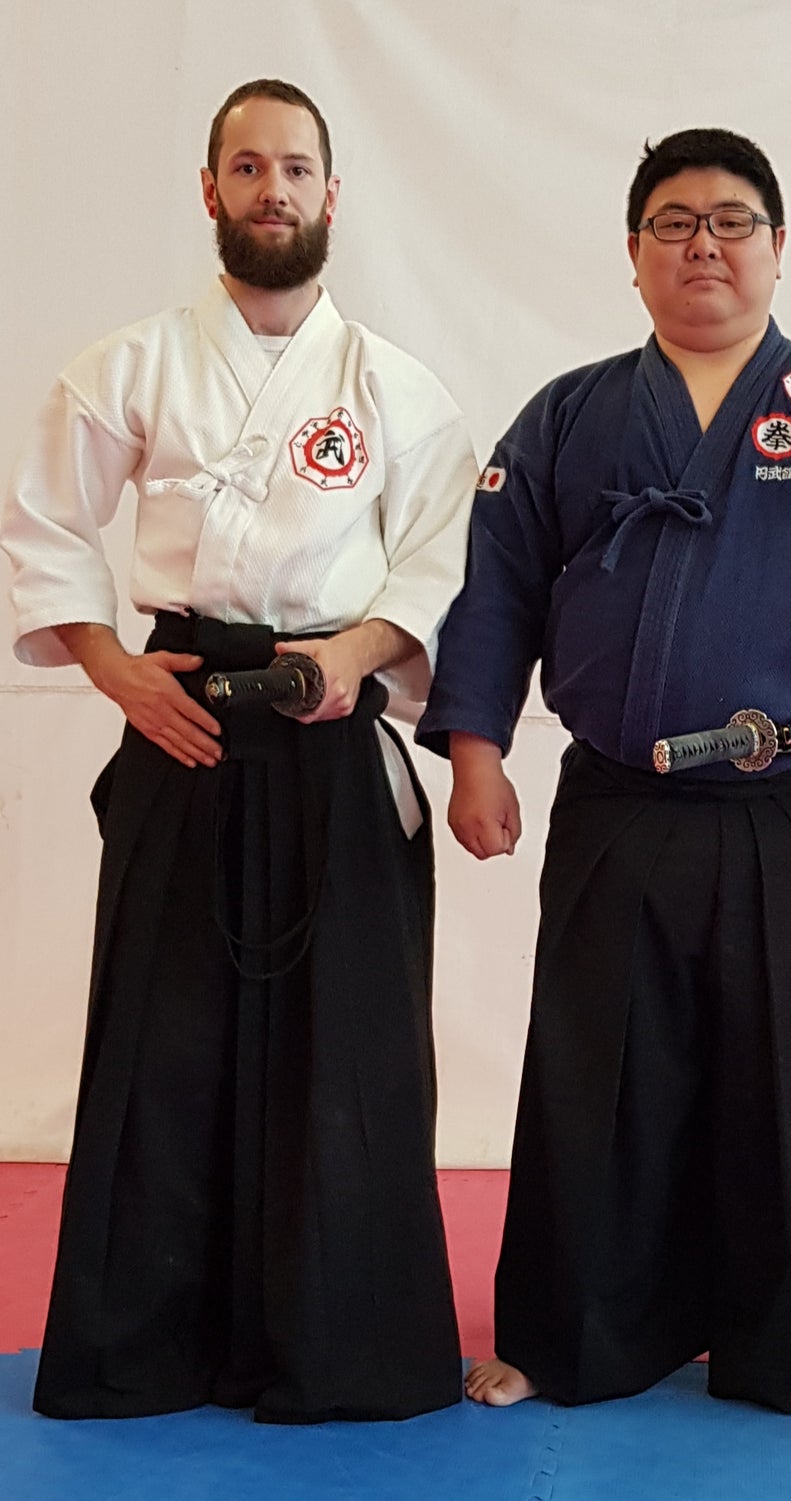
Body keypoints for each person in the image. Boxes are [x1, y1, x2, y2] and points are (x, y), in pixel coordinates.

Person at [416, 127, 791, 1424]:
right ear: (634, 254)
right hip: (621, 799)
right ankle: (576, 1338)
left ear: (779, 247)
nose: (705, 245)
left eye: (733, 221)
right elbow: (496, 587)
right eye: (675, 223)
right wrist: (475, 750)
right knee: (599, 1079)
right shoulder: (569, 416)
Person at [2, 79, 476, 1422]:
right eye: (250, 168)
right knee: (165, 1040)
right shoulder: (132, 366)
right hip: (187, 714)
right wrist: (112, 667)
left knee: (353, 1045)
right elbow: (45, 525)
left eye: (297, 168)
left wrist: (357, 653)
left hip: (333, 715)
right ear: (209, 190)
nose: (275, 190)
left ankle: (343, 1345)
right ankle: (149, 1343)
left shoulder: (394, 386)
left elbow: (444, 558)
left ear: (334, 195)